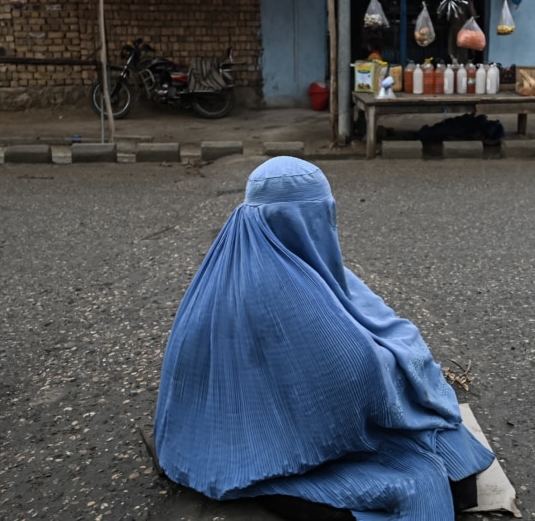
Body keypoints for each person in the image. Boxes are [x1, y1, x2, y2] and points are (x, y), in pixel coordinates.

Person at [154, 156, 494, 520]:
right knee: (423, 474)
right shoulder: (281, 292)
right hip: (266, 439)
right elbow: (353, 381)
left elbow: (370, 312)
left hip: (198, 426)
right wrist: (408, 371)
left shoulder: (248, 256)